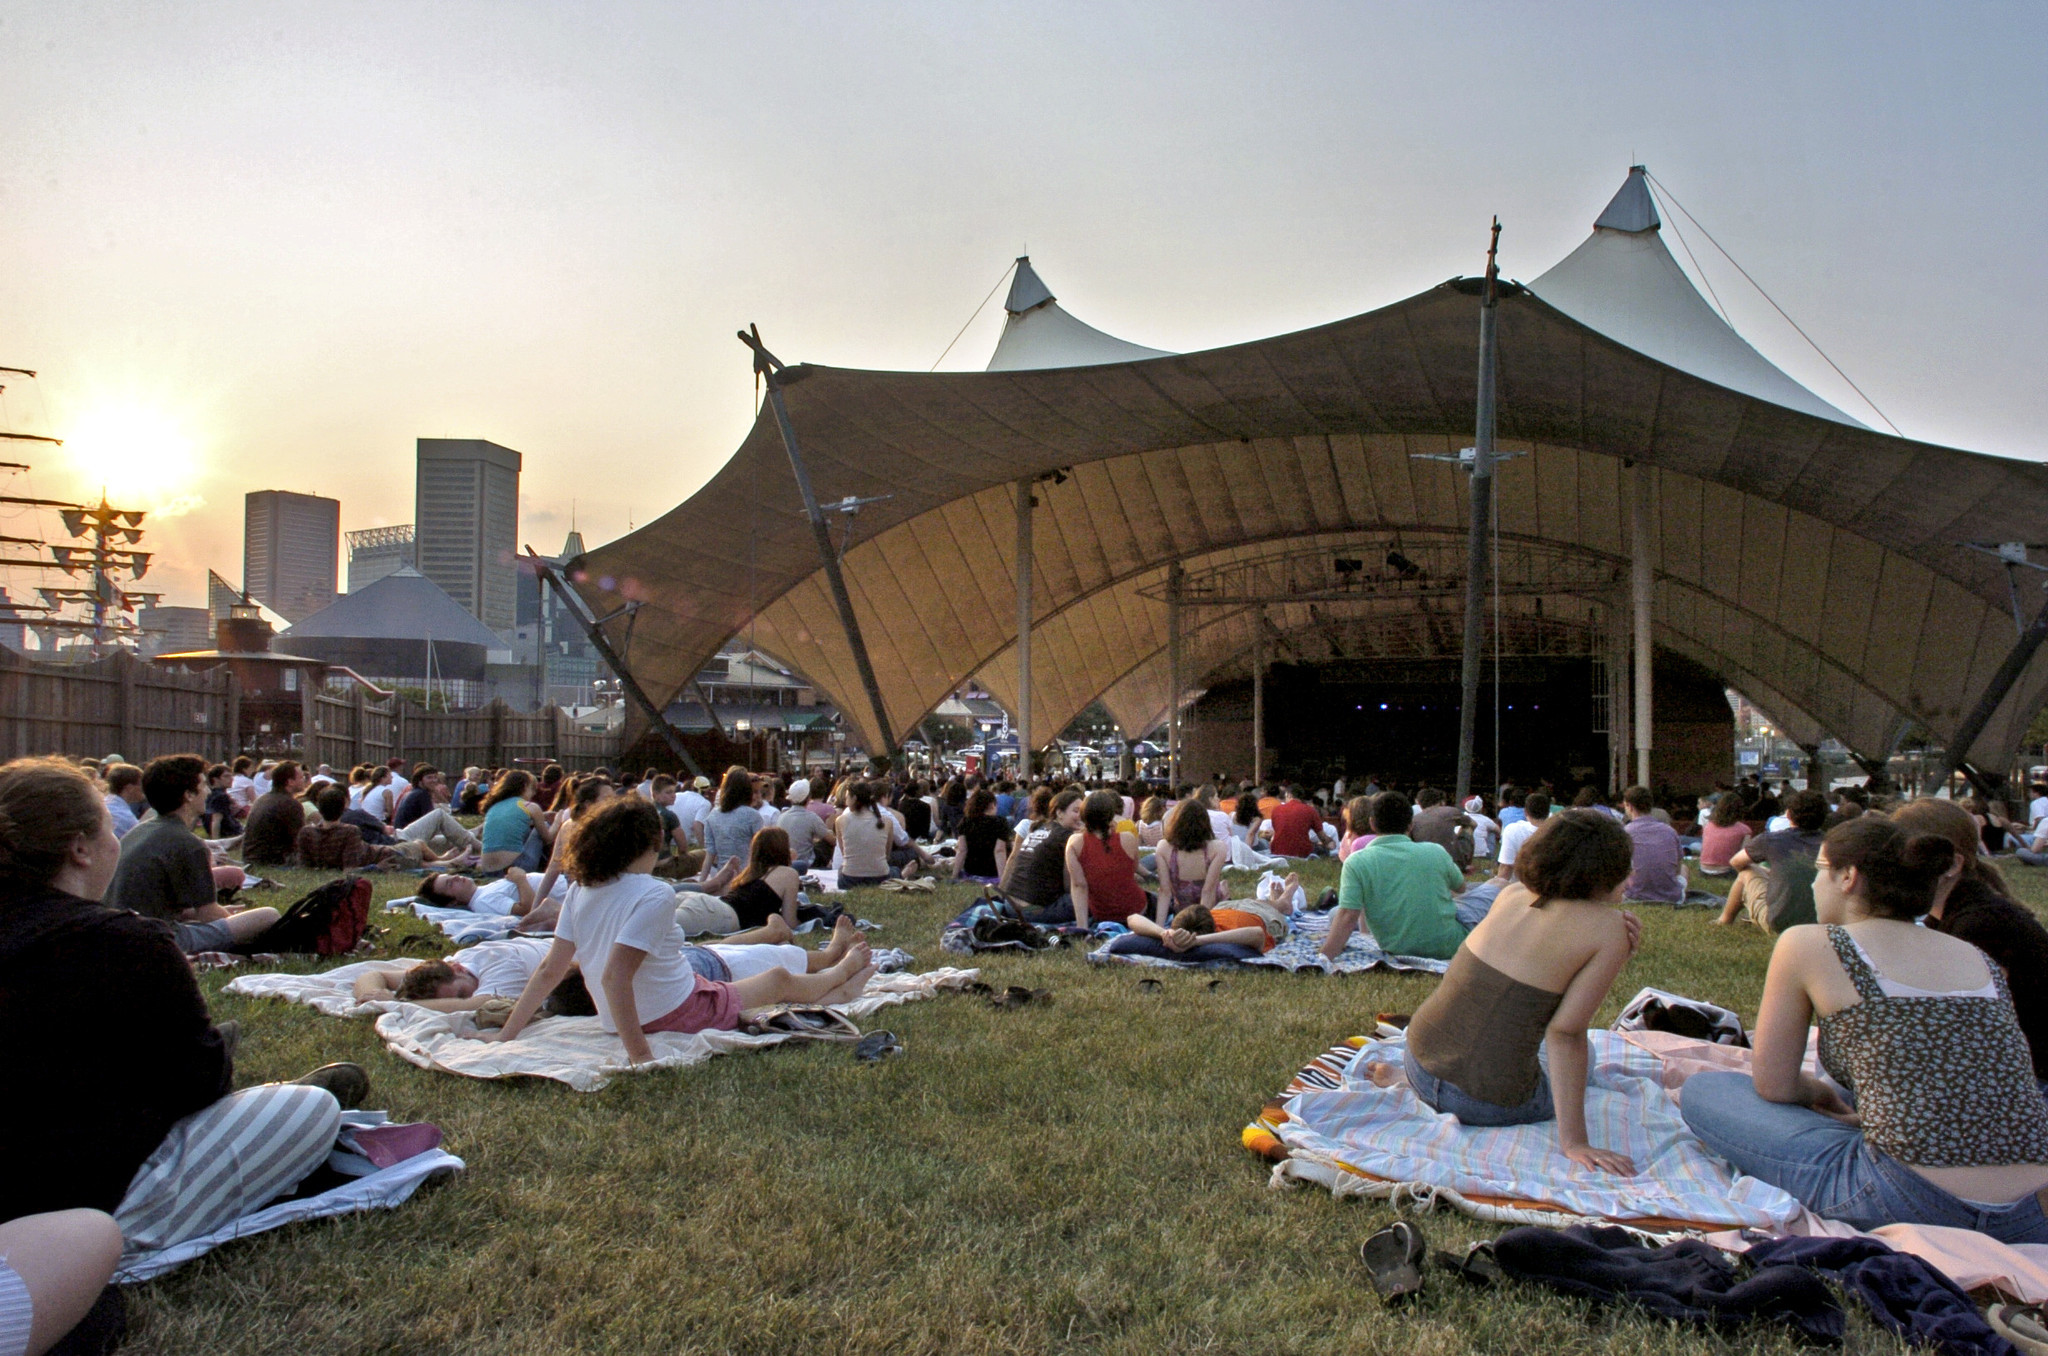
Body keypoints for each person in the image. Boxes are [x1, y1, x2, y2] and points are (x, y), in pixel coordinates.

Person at [0, 756, 363, 1267]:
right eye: (109, 831)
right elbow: (200, 1087)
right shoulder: (126, 943)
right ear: (80, 848)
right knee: (312, 1110)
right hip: (78, 1203)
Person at [1682, 817, 2048, 1241]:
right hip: (2028, 1214)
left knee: (1706, 1092)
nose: (1814, 885)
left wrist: (1818, 1095)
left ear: (1848, 877)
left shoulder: (1809, 943)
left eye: (1820, 870)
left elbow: (1775, 1086)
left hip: (1905, 1197)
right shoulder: (1972, 954)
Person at [474, 798, 877, 1057]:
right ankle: (839, 974)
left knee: (744, 977)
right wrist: (641, 1056)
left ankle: (838, 986)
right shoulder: (653, 894)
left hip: (631, 1014)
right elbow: (618, 975)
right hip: (674, 1010)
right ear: (650, 845)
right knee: (775, 979)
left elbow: (551, 969)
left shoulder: (582, 890)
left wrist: (508, 1034)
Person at [1364, 810, 1641, 1173]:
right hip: (1484, 1102)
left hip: (1418, 1060)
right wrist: (1575, 1143)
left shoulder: (1511, 894)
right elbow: (1566, 1033)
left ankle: (1414, 1085)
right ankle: (1443, 1093)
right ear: (1606, 870)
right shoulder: (1610, 929)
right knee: (1584, 1051)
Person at [1891, 797, 2048, 1083]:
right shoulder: (1953, 914)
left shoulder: (1979, 925)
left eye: (1903, 858)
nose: (1890, 870)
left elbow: (1971, 1036)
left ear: (1951, 865)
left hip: (2027, 1084)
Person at [105, 754, 282, 954]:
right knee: (268, 915)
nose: (207, 791)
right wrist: (231, 921)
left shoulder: (140, 831)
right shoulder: (187, 843)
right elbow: (209, 914)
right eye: (204, 785)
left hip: (119, 933)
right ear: (188, 794)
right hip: (157, 940)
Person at [1322, 792, 1470, 962]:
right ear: (1410, 825)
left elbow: (1347, 915)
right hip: (1448, 946)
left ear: (1373, 824)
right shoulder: (1436, 851)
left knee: (1335, 913)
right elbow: (1461, 888)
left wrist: (1324, 957)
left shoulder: (1356, 862)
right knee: (1493, 889)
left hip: (1395, 947)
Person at [1715, 788, 1829, 931]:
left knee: (1746, 872)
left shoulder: (1772, 839)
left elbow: (1736, 862)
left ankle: (1724, 920)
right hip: (1821, 922)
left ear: (1788, 814)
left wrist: (1768, 876)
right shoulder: (1833, 843)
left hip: (1780, 923)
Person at [1062, 789, 1148, 929]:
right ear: (1111, 814)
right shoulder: (1128, 838)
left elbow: (1079, 886)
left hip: (1101, 913)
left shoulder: (1075, 843)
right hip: (1136, 910)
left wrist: (1082, 927)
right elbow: (1131, 870)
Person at [1155, 799, 1228, 915]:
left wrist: (1159, 927)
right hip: (1209, 909)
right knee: (1221, 886)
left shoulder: (1164, 847)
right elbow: (1207, 891)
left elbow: (1165, 892)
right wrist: (1201, 925)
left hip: (1182, 910)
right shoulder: (1217, 848)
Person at [720, 827, 802, 930]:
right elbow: (790, 923)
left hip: (717, 906)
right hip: (726, 917)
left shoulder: (749, 874)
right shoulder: (788, 873)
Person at [477, 770, 552, 874]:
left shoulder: (495, 806)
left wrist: (541, 816)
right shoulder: (530, 806)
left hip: (488, 870)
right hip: (516, 868)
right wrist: (558, 820)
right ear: (525, 786)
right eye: (533, 789)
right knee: (546, 826)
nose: (534, 793)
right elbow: (548, 839)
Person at [1620, 785, 1684, 904]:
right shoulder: (1670, 831)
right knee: (1685, 869)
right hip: (1670, 897)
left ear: (1629, 806)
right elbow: (1678, 869)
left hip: (1634, 895)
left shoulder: (1624, 833)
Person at [240, 760, 309, 866]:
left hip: (251, 858)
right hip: (274, 861)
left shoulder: (262, 799)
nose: (304, 780)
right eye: (301, 777)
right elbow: (300, 840)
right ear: (290, 782)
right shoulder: (290, 804)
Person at [700, 766, 765, 874]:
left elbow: (710, 854)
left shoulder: (713, 815)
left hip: (722, 876)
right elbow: (761, 851)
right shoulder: (753, 816)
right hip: (746, 876)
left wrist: (702, 882)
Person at [834, 781, 897, 888]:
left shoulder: (841, 821)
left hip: (849, 879)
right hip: (880, 877)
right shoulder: (887, 821)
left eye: (847, 798)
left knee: (841, 869)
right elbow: (887, 854)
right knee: (895, 870)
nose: (845, 802)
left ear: (854, 798)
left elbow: (844, 852)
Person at [952, 788, 1012, 884]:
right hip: (992, 872)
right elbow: (999, 850)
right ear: (992, 805)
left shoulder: (966, 821)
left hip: (971, 871)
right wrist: (1002, 879)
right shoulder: (1000, 822)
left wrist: (954, 876)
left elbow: (962, 850)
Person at [773, 778, 834, 873]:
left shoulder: (781, 816)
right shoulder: (811, 817)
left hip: (787, 861)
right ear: (808, 797)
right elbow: (831, 840)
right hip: (807, 862)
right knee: (824, 843)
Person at [1410, 787, 1474, 871]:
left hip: (1424, 862)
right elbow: (1473, 824)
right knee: (1468, 827)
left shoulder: (1414, 820)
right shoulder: (1450, 811)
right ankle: (1466, 863)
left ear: (1418, 802)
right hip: (1452, 861)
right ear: (1441, 802)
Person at [1493, 792, 1550, 880]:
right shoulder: (1560, 831)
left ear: (1525, 812)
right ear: (1548, 811)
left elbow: (1506, 867)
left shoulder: (1513, 830)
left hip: (1519, 886)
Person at [1697, 793, 1749, 876]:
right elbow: (1744, 857)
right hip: (1727, 871)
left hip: (1703, 870)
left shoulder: (1708, 826)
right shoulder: (1744, 830)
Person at [101, 763, 144, 840]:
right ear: (130, 788)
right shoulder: (124, 817)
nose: (143, 788)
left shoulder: (105, 803)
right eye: (141, 784)